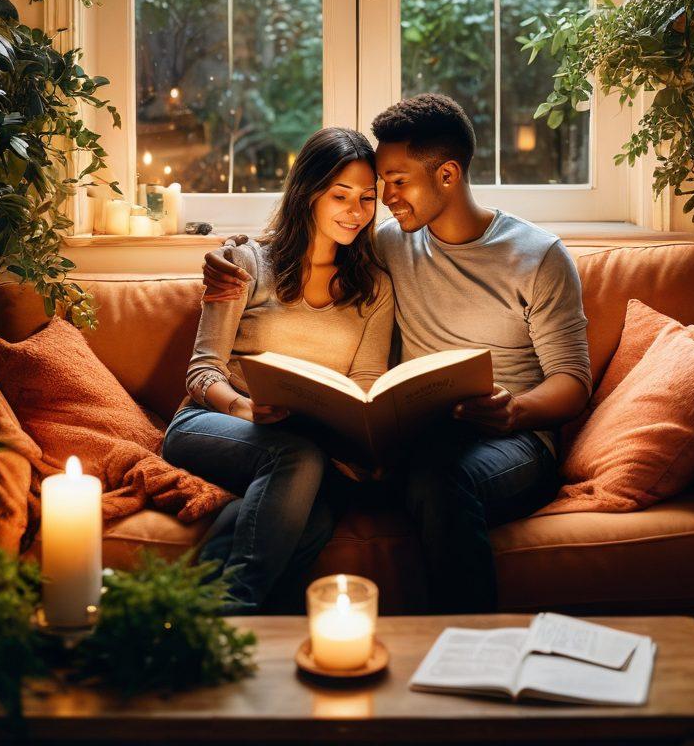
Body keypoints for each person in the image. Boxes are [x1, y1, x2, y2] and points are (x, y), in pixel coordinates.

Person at [204, 95, 591, 613]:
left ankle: (469, 646)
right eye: (379, 186)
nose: (383, 198)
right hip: (420, 436)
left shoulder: (538, 257)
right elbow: (308, 235)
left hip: (512, 439)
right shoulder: (389, 245)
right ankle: (203, 619)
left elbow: (574, 382)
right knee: (314, 497)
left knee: (435, 477)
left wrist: (513, 410)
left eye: (396, 181)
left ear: (448, 175)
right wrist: (234, 254)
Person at [163, 127, 394, 614]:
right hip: (213, 423)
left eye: (368, 198)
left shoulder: (374, 288)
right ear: (309, 193)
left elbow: (367, 385)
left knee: (315, 516)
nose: (356, 211)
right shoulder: (244, 262)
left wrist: (364, 435)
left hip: (309, 443)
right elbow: (202, 372)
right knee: (299, 461)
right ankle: (237, 612)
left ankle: (202, 620)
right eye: (341, 196)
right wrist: (247, 408)